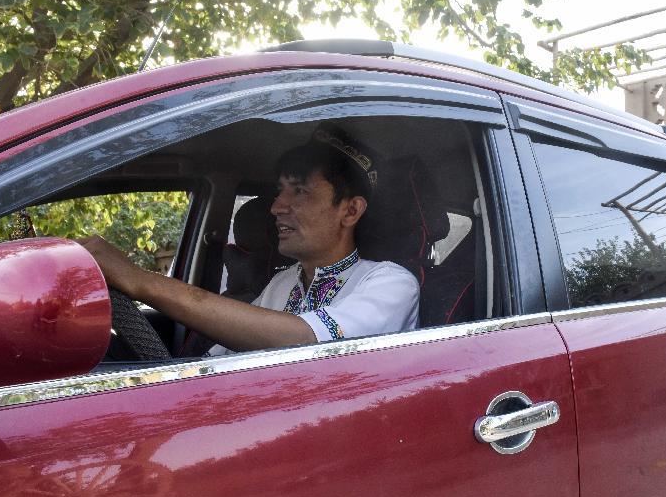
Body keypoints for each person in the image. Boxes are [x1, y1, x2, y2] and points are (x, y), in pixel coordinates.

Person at [79, 123, 420, 355]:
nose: (275, 207)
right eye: (279, 192)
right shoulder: (282, 283)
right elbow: (217, 359)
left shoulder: (390, 282)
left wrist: (138, 280)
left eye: (299, 191)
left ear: (350, 211)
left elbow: (306, 342)